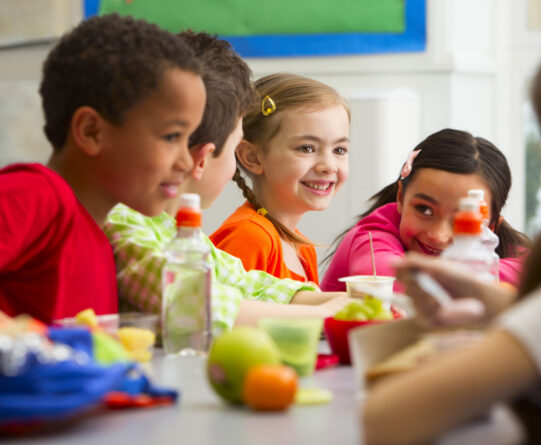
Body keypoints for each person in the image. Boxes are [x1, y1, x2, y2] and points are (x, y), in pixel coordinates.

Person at [362, 43, 541, 445]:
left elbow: (385, 418)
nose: (438, 235)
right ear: (400, 196)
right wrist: (494, 302)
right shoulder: (374, 233)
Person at [104, 32, 349, 336]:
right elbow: (193, 305)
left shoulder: (167, 227)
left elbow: (241, 282)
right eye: (234, 149)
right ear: (205, 159)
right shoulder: (121, 222)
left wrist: (335, 301)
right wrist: (323, 316)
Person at [0, 15, 205, 324]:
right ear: (92, 132)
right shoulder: (37, 195)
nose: (187, 162)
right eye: (172, 137)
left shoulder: (101, 243)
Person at [321, 128, 530, 293]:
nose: (438, 236)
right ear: (401, 197)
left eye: (462, 220)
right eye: (424, 210)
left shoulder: (499, 245)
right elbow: (391, 284)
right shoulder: (371, 236)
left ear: (490, 227)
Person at [210, 73, 350, 285]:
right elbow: (227, 315)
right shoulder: (249, 237)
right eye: (307, 148)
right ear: (253, 158)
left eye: (339, 149)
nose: (329, 166)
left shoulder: (302, 247)